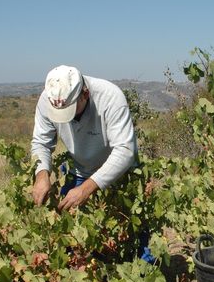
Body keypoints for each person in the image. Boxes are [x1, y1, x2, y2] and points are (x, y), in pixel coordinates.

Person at [31, 65, 138, 211]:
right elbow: (41, 143)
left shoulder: (110, 97)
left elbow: (124, 150)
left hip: (118, 173)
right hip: (79, 171)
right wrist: (42, 174)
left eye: (70, 110)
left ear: (85, 94)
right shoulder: (48, 99)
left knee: (129, 227)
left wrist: (85, 189)